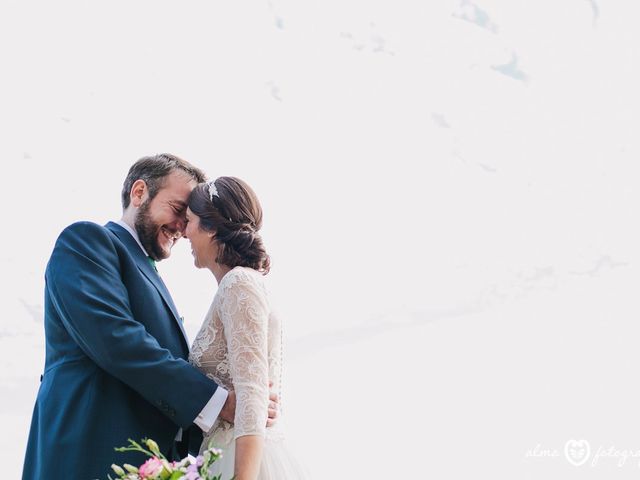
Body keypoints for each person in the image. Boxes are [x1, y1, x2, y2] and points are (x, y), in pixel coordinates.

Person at [22, 154, 277, 480]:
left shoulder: (155, 280)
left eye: (190, 219)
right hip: (85, 458)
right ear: (139, 192)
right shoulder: (87, 242)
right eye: (177, 210)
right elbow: (116, 339)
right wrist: (218, 403)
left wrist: (241, 409)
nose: (183, 229)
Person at [185, 177, 307, 479]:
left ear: (211, 227)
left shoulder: (238, 282)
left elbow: (251, 393)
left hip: (241, 460)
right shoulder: (237, 285)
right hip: (220, 453)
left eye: (189, 221)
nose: (183, 232)